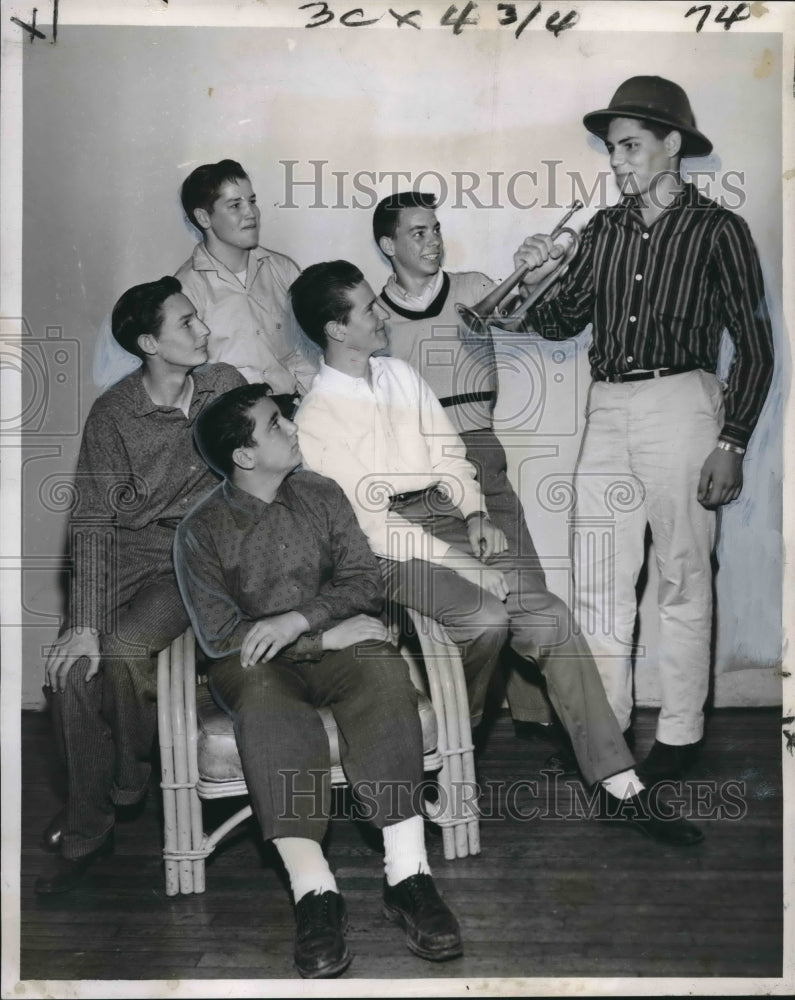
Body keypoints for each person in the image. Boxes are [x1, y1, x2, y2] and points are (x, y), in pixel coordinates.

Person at [291, 260, 704, 847]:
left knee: (553, 618)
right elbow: (374, 525)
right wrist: (468, 564)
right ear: (336, 329)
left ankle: (618, 785)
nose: (380, 313)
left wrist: (477, 514)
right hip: (386, 547)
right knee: (486, 617)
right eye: (367, 309)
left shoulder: (400, 376)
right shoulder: (315, 418)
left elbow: (449, 455)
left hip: (448, 515)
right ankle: (454, 738)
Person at [512, 76, 775, 782]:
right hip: (607, 406)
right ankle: (606, 736)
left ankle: (682, 735)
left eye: (629, 146)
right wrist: (535, 272)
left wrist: (733, 440)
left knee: (684, 578)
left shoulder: (720, 229)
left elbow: (754, 345)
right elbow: (559, 322)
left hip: (684, 405)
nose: (617, 161)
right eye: (610, 149)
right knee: (599, 576)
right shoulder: (600, 230)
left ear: (672, 144)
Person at [173, 383, 462, 978]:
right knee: (268, 709)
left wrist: (301, 620)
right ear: (245, 456)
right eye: (276, 423)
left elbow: (363, 582)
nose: (292, 426)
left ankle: (408, 877)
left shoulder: (322, 493)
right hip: (253, 665)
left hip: (334, 646)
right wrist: (322, 633)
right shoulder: (200, 531)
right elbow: (223, 635)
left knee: (384, 673)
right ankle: (315, 894)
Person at [36, 277, 246, 893]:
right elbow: (94, 520)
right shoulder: (114, 414)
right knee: (71, 670)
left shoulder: (224, 385)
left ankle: (125, 783)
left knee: (126, 651)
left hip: (194, 555)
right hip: (125, 552)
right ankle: (90, 824)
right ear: (151, 343)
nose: (202, 330)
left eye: (198, 318)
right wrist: (80, 624)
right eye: (187, 324)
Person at [373, 191, 556, 743]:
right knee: (467, 600)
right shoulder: (372, 315)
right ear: (389, 245)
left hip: (480, 449)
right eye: (418, 233)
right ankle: (452, 728)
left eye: (436, 229)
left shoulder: (474, 286)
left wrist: (535, 268)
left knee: (524, 586)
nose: (433, 241)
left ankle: (539, 722)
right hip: (415, 470)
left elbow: (531, 319)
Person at [93, 160, 320, 393]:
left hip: (297, 410)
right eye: (235, 205)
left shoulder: (284, 269)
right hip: (234, 419)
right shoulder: (184, 290)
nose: (251, 212)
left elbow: (309, 349)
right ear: (203, 218)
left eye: (252, 201)